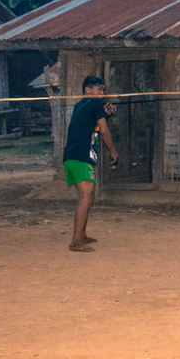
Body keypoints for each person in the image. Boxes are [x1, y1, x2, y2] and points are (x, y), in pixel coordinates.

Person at [62, 75, 118, 252]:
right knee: (86, 197)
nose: (102, 91)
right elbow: (103, 130)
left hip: (72, 156)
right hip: (80, 157)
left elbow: (90, 127)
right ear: (88, 89)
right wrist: (113, 151)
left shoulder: (81, 105)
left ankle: (82, 234)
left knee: (88, 196)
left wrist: (104, 116)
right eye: (99, 88)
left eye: (103, 89)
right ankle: (76, 240)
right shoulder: (94, 103)